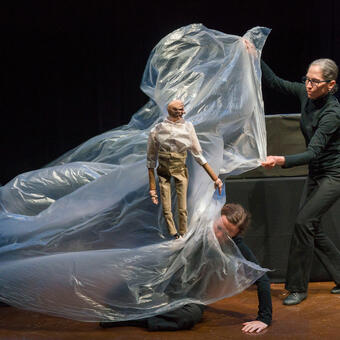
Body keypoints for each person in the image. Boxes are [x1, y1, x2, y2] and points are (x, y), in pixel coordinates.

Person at [100, 203, 272, 333]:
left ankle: (132, 319)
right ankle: (139, 309)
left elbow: (261, 277)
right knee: (114, 296)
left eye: (227, 234)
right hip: (165, 282)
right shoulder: (196, 223)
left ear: (235, 236)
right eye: (219, 227)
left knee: (190, 317)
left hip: (190, 296)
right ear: (215, 217)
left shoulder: (235, 245)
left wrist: (265, 319)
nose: (219, 235)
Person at [259, 54, 340, 305]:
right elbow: (273, 82)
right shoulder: (306, 94)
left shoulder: (333, 113)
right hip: (317, 172)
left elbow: (313, 152)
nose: (308, 85)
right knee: (311, 228)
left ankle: (296, 288)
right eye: (306, 79)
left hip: (334, 174)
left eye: (315, 82)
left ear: (331, 85)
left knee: (303, 222)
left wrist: (280, 159)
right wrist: (255, 55)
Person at [147, 99, 223, 238]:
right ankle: (173, 233)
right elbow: (151, 161)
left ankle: (183, 233)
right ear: (172, 111)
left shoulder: (187, 127)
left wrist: (215, 178)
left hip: (180, 169)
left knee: (182, 208)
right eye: (180, 109)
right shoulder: (157, 129)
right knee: (166, 207)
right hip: (163, 171)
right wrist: (152, 188)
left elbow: (198, 155)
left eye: (183, 109)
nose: (183, 112)